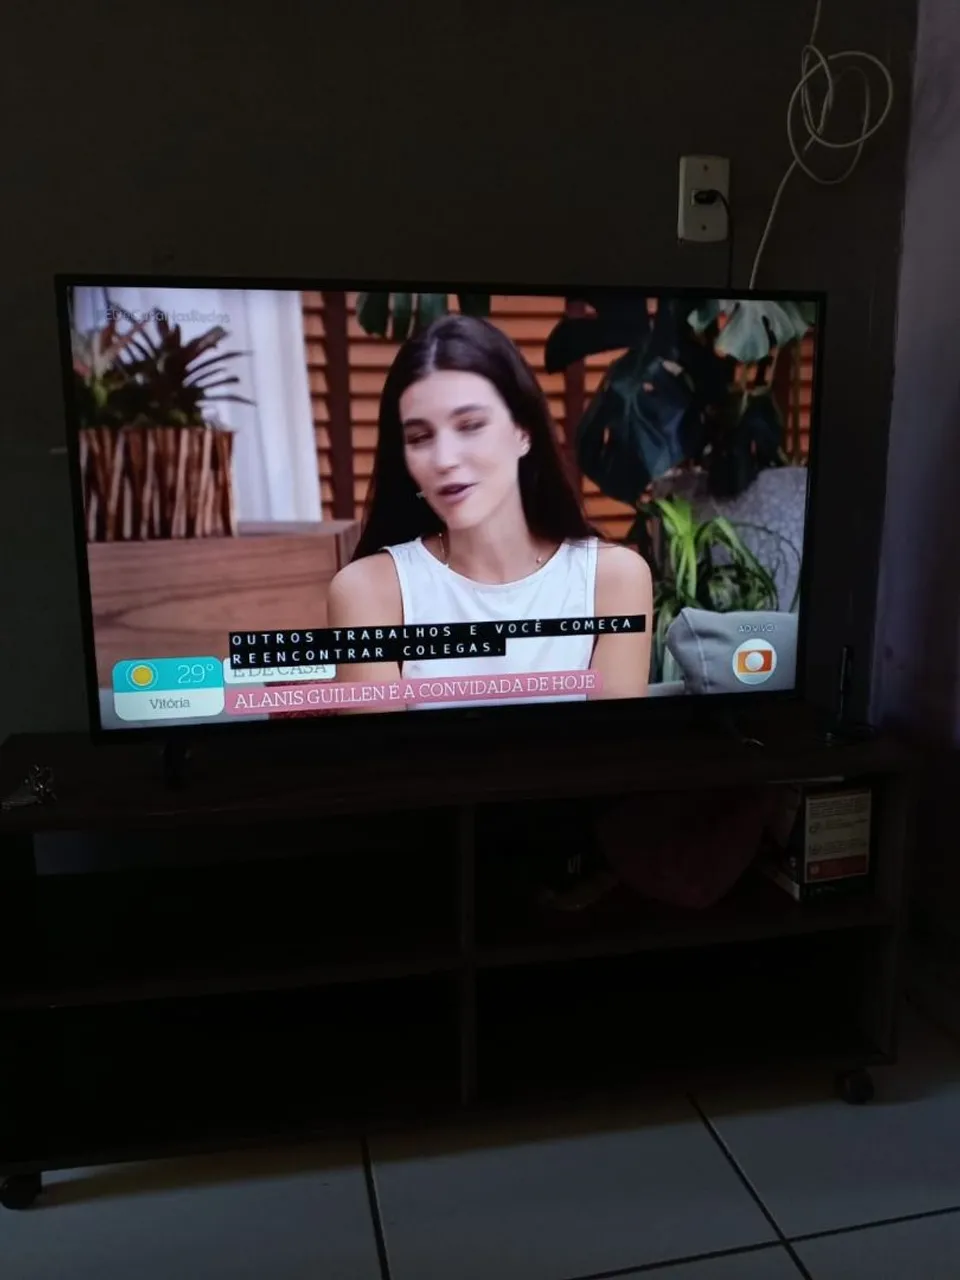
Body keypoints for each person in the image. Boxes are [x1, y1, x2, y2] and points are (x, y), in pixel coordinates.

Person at [327, 313, 652, 709]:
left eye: (470, 425)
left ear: (523, 431)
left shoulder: (613, 580)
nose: (444, 459)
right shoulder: (368, 592)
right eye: (420, 437)